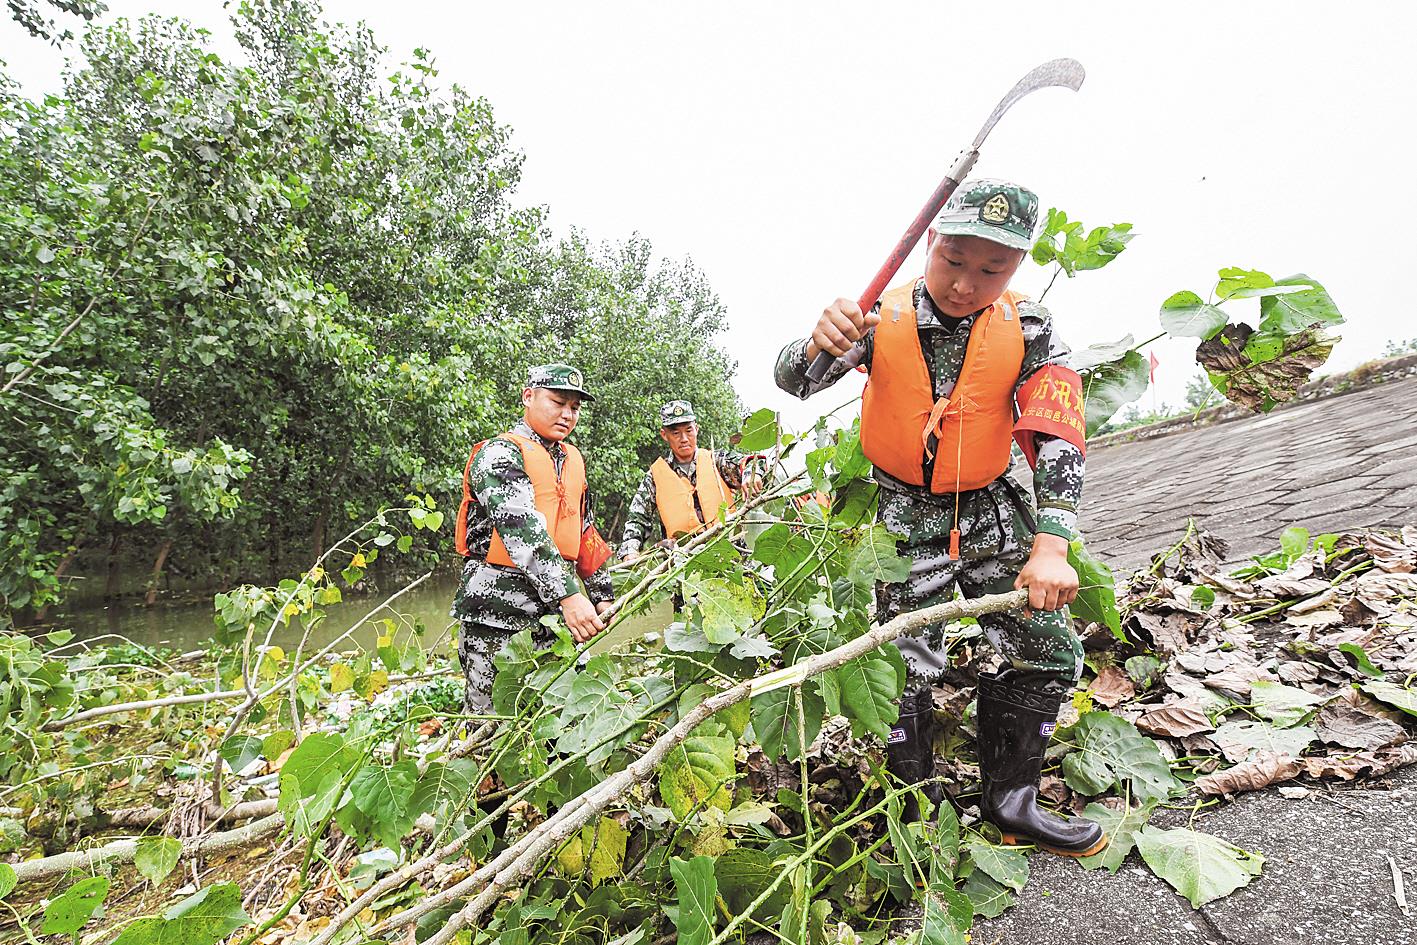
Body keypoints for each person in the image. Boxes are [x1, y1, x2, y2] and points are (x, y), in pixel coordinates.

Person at [773, 180, 1103, 856]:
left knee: (1046, 646)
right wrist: (815, 343)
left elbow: (1058, 434)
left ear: (1017, 266)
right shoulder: (878, 316)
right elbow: (797, 381)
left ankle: (1010, 802)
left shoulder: (1030, 325)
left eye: (991, 269)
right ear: (930, 242)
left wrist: (1053, 543)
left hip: (989, 510)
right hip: (902, 519)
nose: (964, 283)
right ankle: (915, 813)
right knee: (902, 670)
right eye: (953, 260)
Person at [450, 363, 615, 715]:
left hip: (554, 616)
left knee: (565, 717)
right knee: (492, 723)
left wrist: (601, 596)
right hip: (499, 616)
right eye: (558, 402)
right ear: (529, 396)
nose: (567, 414)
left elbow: (583, 531)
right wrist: (571, 596)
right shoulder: (499, 454)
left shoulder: (571, 460)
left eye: (575, 408)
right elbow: (521, 528)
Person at [618, 400, 759, 558]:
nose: (684, 438)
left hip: (730, 556)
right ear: (664, 435)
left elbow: (751, 463)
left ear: (696, 429)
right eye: (676, 433)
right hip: (683, 564)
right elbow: (637, 519)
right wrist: (630, 551)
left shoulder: (717, 461)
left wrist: (752, 475)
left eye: (688, 430)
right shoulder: (654, 476)